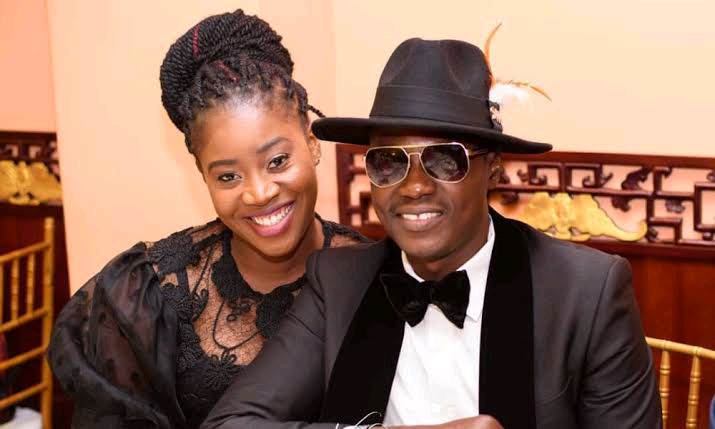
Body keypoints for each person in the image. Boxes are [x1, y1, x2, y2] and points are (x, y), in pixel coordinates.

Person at [202, 37, 662, 429]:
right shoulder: (339, 283)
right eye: (389, 162)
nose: (415, 187)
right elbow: (231, 423)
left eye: (445, 159)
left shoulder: (585, 291)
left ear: (493, 169)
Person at [47, 10, 367, 429]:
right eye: (228, 176)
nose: (259, 193)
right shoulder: (147, 295)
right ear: (202, 175)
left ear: (312, 142)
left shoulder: (373, 278)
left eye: (277, 161)